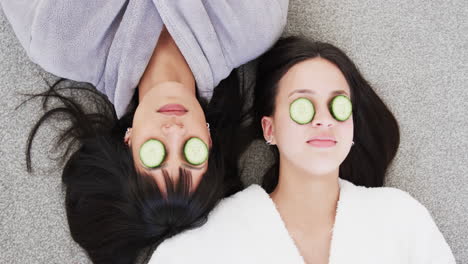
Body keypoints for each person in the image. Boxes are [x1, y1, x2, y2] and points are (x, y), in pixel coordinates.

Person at [0, 1, 289, 263]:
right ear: (209, 141)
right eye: (192, 152)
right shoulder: (256, 26)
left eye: (155, 153)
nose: (175, 131)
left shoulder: (56, 42)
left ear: (128, 141)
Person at [147, 36, 456, 264]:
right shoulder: (209, 239)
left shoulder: (401, 217)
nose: (324, 119)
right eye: (302, 106)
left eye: (338, 106)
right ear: (270, 129)